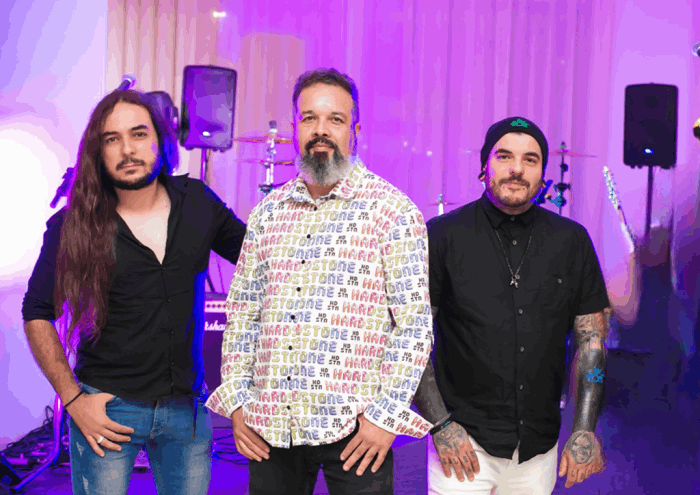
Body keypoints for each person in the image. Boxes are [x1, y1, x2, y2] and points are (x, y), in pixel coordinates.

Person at [205, 68, 434, 494]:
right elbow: (243, 314)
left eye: (335, 119)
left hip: (357, 431)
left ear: (355, 131)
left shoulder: (393, 212)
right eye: (309, 118)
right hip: (271, 426)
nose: (321, 130)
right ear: (295, 128)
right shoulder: (268, 213)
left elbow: (414, 327)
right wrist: (236, 402)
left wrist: (385, 418)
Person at [22, 89, 247, 495]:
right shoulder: (72, 226)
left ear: (160, 139)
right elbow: (37, 312)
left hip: (186, 411)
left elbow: (261, 256)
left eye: (139, 134)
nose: (127, 149)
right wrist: (73, 401)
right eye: (112, 139)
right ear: (98, 152)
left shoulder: (198, 203)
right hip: (106, 408)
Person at [412, 116, 609, 494]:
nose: (517, 169)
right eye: (504, 156)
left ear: (542, 174)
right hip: (462, 443)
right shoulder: (441, 236)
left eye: (530, 160)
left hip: (538, 447)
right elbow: (413, 339)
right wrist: (439, 424)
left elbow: (592, 342)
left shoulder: (572, 241)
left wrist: (584, 429)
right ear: (484, 166)